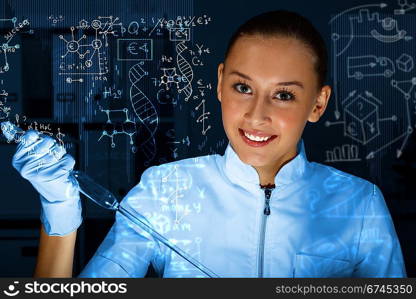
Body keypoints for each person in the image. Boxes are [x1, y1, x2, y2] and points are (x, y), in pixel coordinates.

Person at [11, 10, 406, 278]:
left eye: (283, 95)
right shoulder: (165, 190)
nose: (255, 115)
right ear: (219, 83)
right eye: (242, 87)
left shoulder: (359, 205)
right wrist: (60, 214)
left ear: (317, 103)